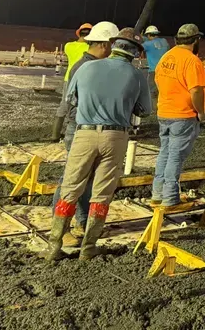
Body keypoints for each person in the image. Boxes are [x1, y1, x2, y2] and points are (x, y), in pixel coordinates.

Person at [48, 28, 151, 261]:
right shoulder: (136, 76)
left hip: (84, 134)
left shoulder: (86, 67)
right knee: (102, 192)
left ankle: (54, 245)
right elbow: (144, 111)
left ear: (113, 45)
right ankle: (89, 247)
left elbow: (71, 99)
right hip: (115, 137)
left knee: (70, 187)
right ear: (136, 52)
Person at [51, 20, 119, 246]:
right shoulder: (85, 67)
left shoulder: (93, 65)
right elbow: (72, 103)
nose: (111, 50)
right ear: (102, 44)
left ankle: (81, 221)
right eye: (110, 45)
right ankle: (61, 228)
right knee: (70, 180)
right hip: (79, 128)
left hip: (84, 127)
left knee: (87, 179)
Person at [151, 23, 205, 207]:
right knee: (175, 156)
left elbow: (158, 81)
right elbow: (196, 91)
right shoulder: (192, 61)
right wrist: (200, 111)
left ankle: (157, 193)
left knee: (164, 153)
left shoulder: (167, 57)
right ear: (196, 40)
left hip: (164, 112)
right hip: (183, 115)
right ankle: (169, 197)